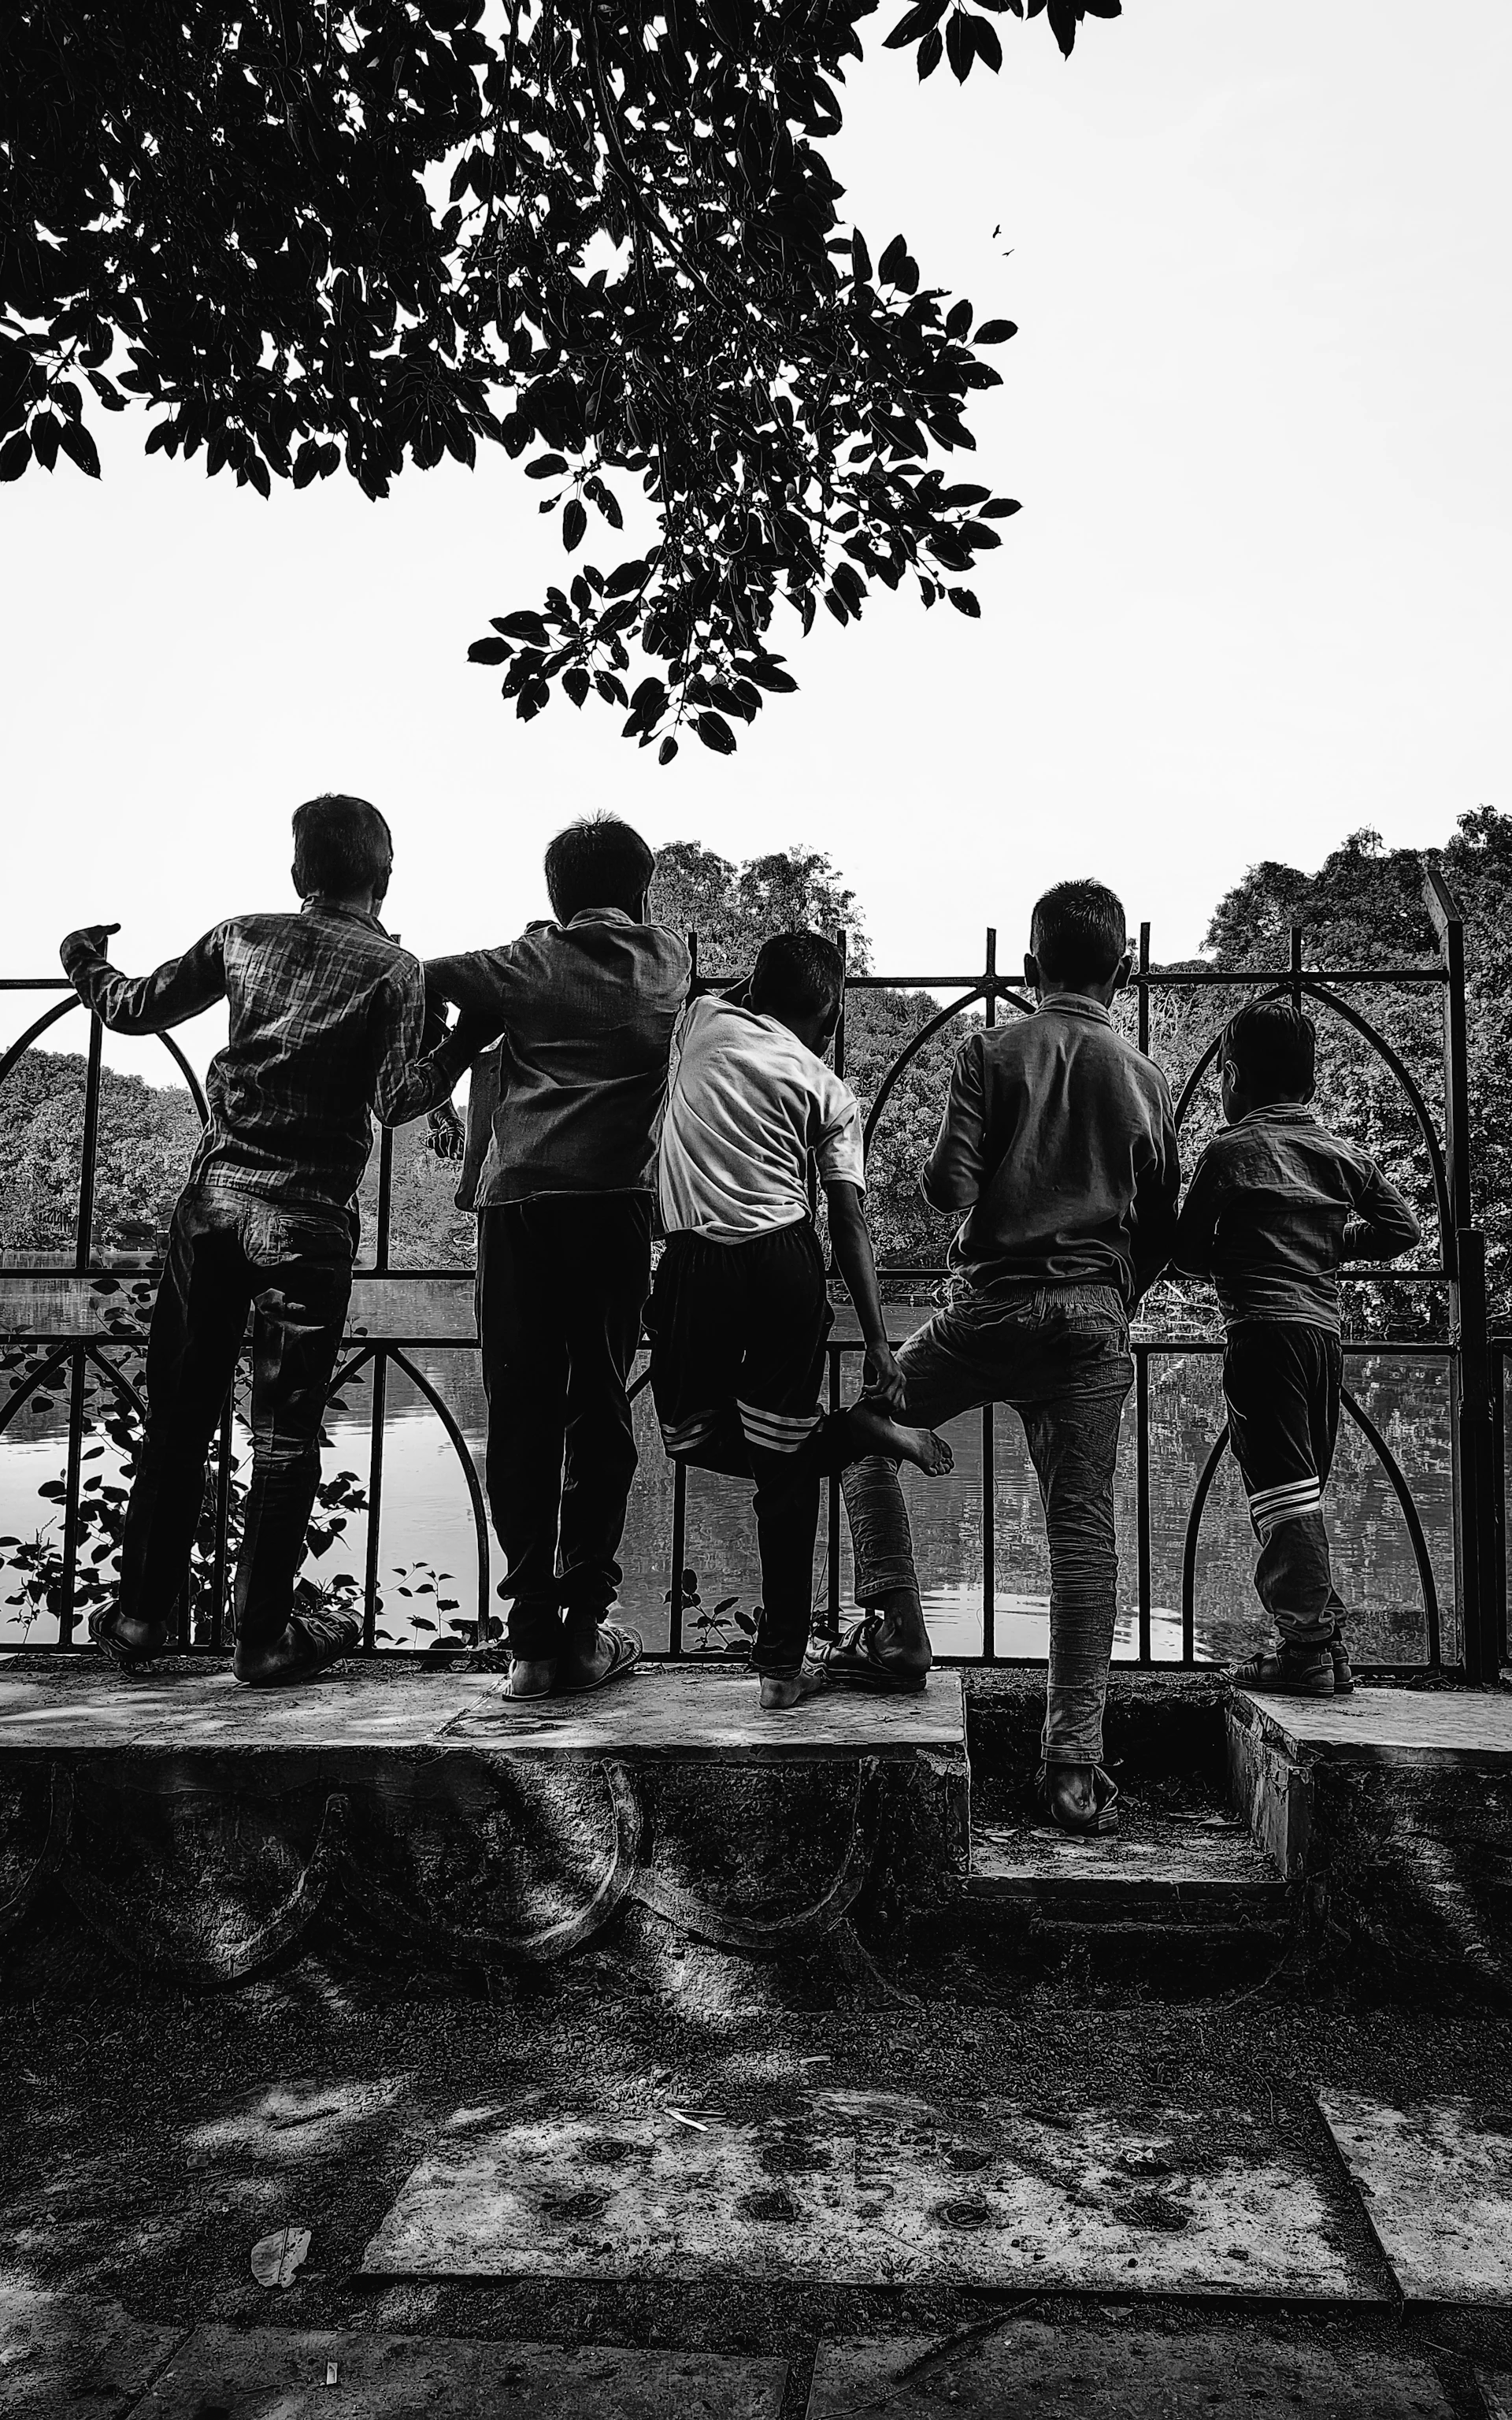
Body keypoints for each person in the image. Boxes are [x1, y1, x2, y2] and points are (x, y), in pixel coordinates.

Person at [60, 794, 462, 1685]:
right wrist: (464, 1045)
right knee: (285, 1435)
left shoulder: (244, 935)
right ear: (384, 878)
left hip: (214, 1208)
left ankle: (136, 1621)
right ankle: (263, 1639)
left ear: (298, 874)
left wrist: (83, 959)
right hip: (309, 1221)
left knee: (177, 1418)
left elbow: (131, 1008)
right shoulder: (394, 970)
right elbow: (399, 1100)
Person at [833, 881, 1180, 1835]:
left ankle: (899, 1630)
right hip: (1091, 1322)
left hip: (987, 1312)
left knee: (868, 1432)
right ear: (1124, 970)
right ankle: (1072, 1767)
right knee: (1080, 1536)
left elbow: (948, 1190)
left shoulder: (990, 1049)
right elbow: (1162, 1225)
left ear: (1029, 972)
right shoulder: (1147, 1076)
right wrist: (1112, 1301)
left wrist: (950, 1162)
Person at [648, 931, 954, 1709]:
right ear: (828, 1013)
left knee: (686, 1433)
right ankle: (780, 1670)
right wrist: (880, 1341)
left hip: (699, 1260)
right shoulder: (829, 1090)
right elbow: (849, 1219)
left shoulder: (700, 1022)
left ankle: (785, 1662)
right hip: (788, 1265)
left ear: (752, 986)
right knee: (784, 1472)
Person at [423, 815, 689, 1699]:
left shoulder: (524, 965)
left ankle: (528, 1639)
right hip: (615, 1208)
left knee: (521, 1409)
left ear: (553, 898)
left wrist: (472, 1012)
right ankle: (585, 1626)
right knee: (602, 1411)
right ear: (644, 891)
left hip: (520, 1210)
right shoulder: (669, 963)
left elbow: (423, 975)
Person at [1171, 1000, 1420, 1696]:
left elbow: (1187, 1253)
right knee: (1304, 1488)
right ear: (1309, 1083)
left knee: (1281, 1495)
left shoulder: (1230, 1152)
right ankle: (1323, 1640)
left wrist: (1241, 1253)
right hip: (1323, 1340)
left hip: (1261, 1338)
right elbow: (1402, 1230)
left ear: (1234, 1078)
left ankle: (1306, 1647)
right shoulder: (1342, 1154)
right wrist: (1333, 1243)